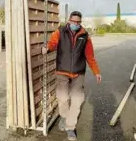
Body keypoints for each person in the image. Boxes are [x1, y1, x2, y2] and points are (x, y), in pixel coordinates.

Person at [42, 11, 101, 141]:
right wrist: (47, 47)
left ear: (80, 22)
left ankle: (70, 127)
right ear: (69, 20)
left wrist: (96, 72)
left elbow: (90, 56)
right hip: (62, 72)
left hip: (78, 73)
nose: (75, 24)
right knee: (62, 98)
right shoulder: (60, 32)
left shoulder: (85, 36)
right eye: (73, 21)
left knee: (77, 100)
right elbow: (53, 43)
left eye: (78, 22)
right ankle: (64, 116)